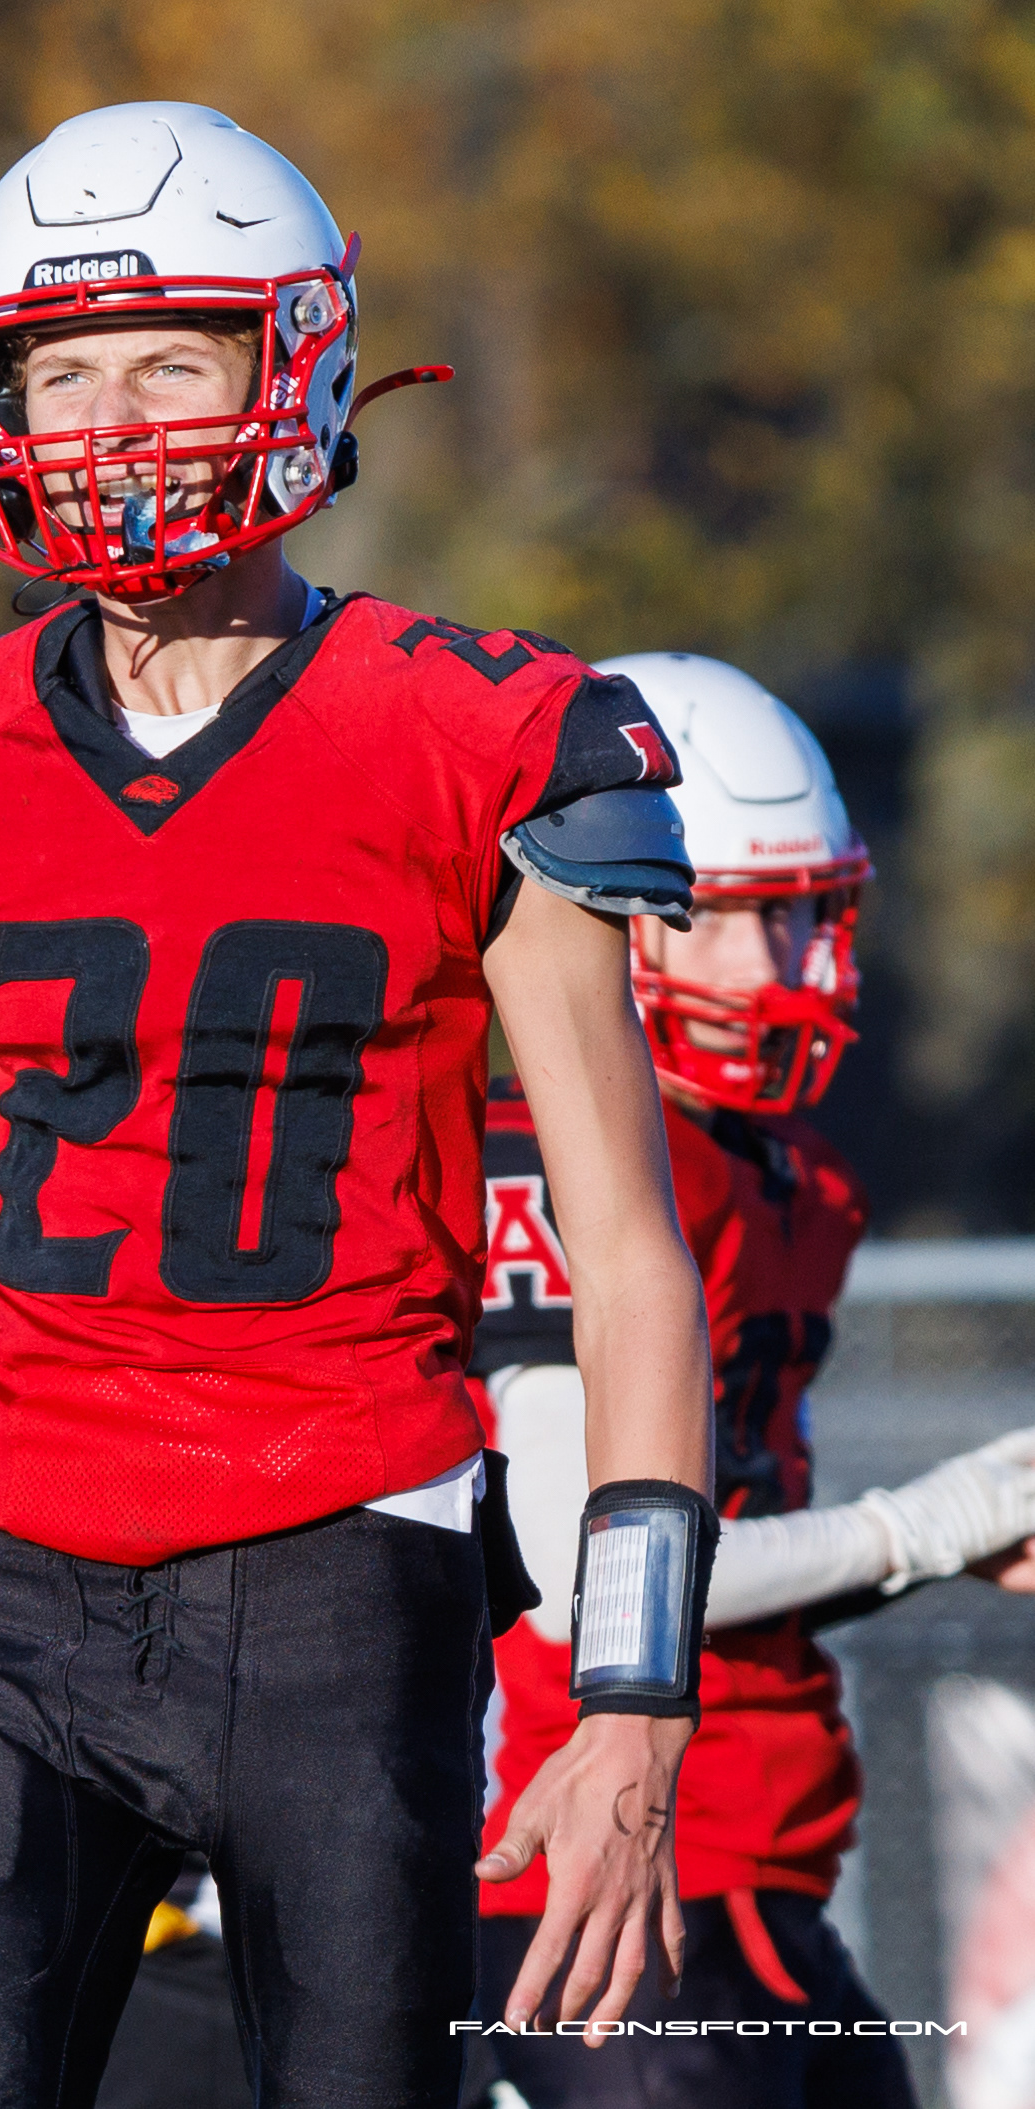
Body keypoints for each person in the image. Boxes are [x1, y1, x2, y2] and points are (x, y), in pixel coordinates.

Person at [0, 102, 720, 2109]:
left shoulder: (470, 730)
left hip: (348, 1570)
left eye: (169, 360)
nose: (109, 422)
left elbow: (629, 1261)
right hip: (18, 1581)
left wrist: (635, 1700)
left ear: (296, 366)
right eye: (61, 373)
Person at [463, 651, 1035, 2109]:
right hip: (593, 1873)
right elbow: (588, 1579)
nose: (776, 968)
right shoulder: (561, 1159)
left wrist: (942, 1547)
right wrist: (927, 1525)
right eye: (725, 918)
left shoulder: (787, 1178)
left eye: (798, 917)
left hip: (754, 1880)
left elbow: (735, 1529)